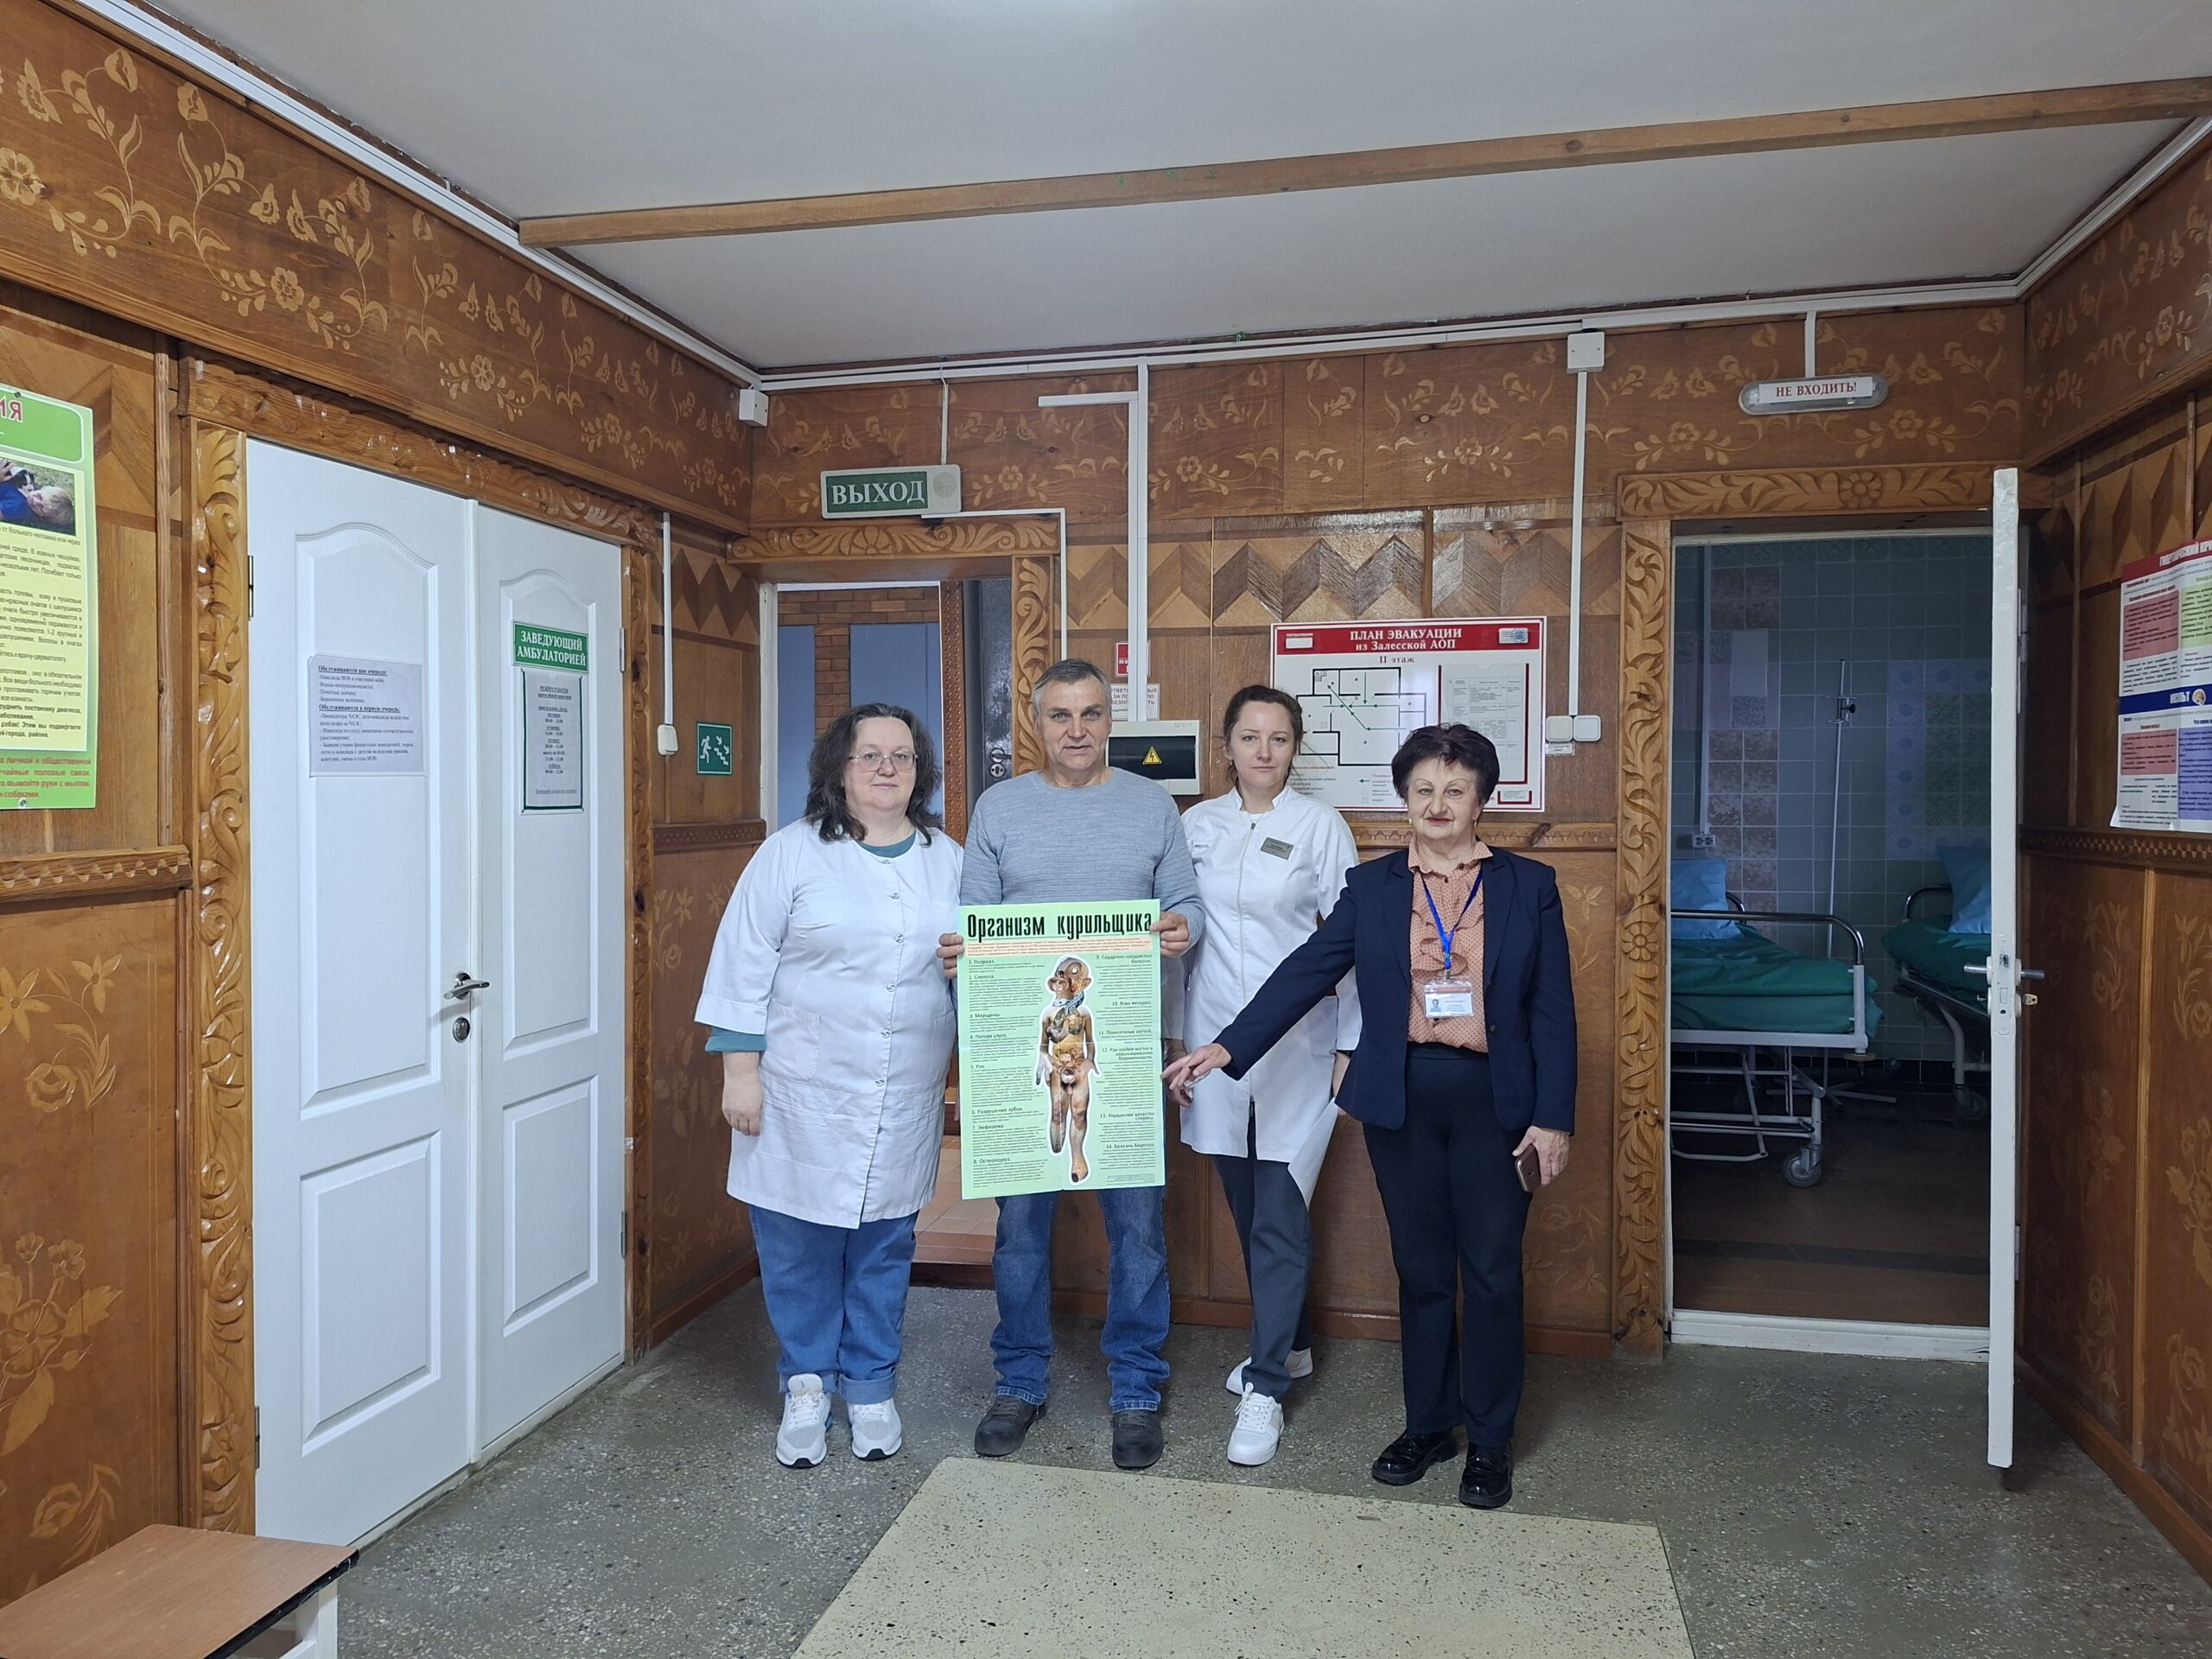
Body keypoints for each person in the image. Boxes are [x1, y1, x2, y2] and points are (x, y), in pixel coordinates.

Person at [1166, 723, 1574, 1510]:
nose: (1438, 804)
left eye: (1455, 790)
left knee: (1492, 1274)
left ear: (1481, 800)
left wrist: (1553, 1119)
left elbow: (1553, 1009)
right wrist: (1227, 1045)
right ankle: (1430, 1424)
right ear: (1405, 800)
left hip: (1497, 1102)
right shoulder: (1376, 886)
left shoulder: (1530, 885)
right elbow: (1306, 971)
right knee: (1420, 1272)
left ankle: (1490, 1439)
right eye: (1423, 789)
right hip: (1403, 1095)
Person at [936, 658, 1204, 1471]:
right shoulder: (999, 808)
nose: (1076, 730)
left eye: (1090, 714)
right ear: (1036, 721)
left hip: (1126, 1046)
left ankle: (1136, 1389)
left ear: (1109, 719)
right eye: (1060, 715)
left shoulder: (1150, 805)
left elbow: (1186, 903)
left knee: (1139, 1232)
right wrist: (962, 958)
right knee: (1020, 1232)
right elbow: (974, 919)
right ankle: (1019, 1381)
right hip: (1026, 1046)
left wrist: (1181, 929)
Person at [695, 703, 962, 1470]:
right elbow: (742, 963)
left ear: (921, 771)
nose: (887, 769)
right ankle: (807, 1383)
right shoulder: (791, 853)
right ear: (838, 770)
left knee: (884, 1243)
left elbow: (981, 963)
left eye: (902, 756)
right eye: (869, 755)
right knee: (797, 1244)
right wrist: (739, 1075)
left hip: (903, 1088)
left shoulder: (949, 858)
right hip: (800, 1089)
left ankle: (872, 1386)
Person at [1171, 685, 1360, 1467]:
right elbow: (1176, 936)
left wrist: (1351, 1042)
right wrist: (1168, 1038)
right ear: (1227, 746)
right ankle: (1293, 1343)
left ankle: (1267, 1385)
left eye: (1279, 738)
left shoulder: (1321, 826)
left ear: (1294, 749)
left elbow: (1351, 940)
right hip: (1211, 1041)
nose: (1264, 751)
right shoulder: (1195, 826)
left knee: (1280, 1211)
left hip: (1296, 1048)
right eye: (1250, 737)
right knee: (1248, 1208)